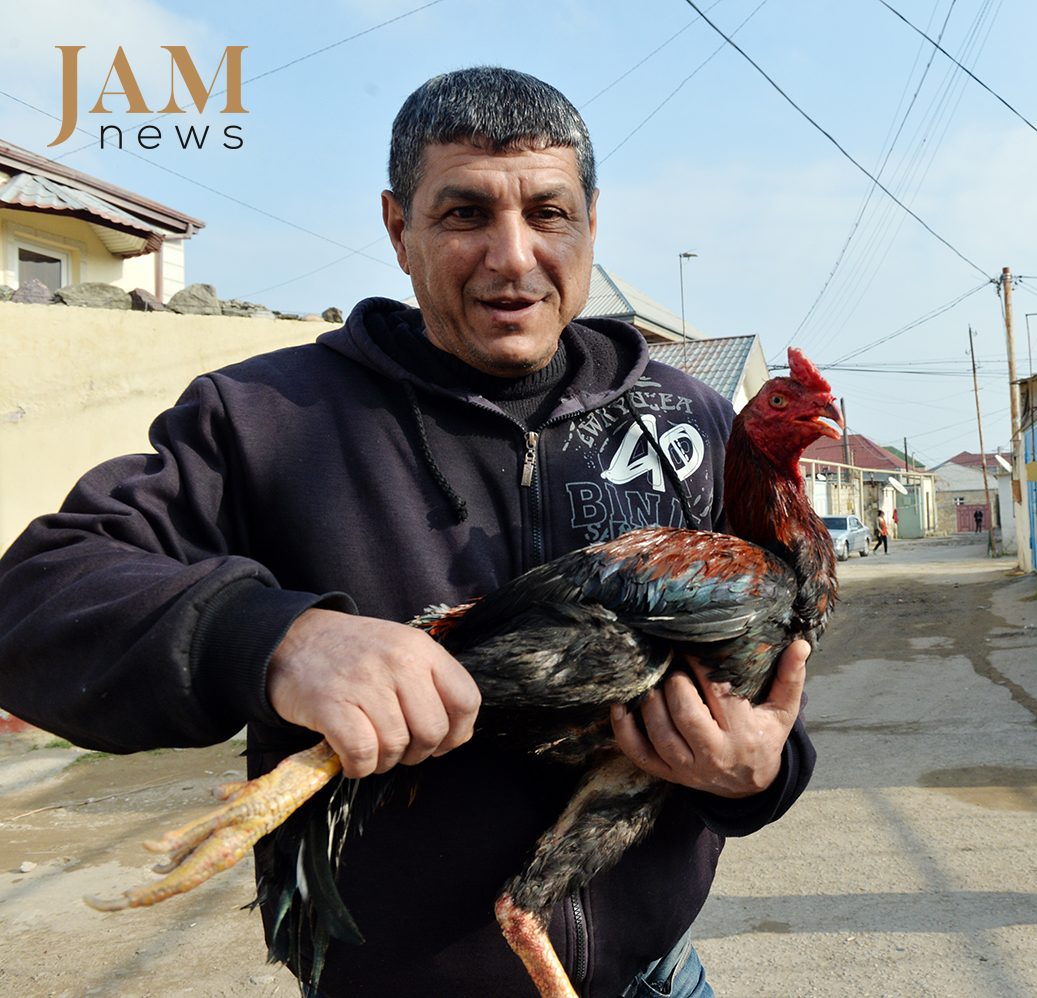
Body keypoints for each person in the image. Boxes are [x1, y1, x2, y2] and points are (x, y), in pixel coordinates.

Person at [0, 67, 813, 997]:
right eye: (464, 214)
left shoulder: (695, 423)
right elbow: (30, 600)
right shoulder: (267, 417)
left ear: (591, 221)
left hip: (656, 978)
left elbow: (766, 697)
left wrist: (761, 772)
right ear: (398, 229)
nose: (513, 257)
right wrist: (274, 639)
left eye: (548, 213)